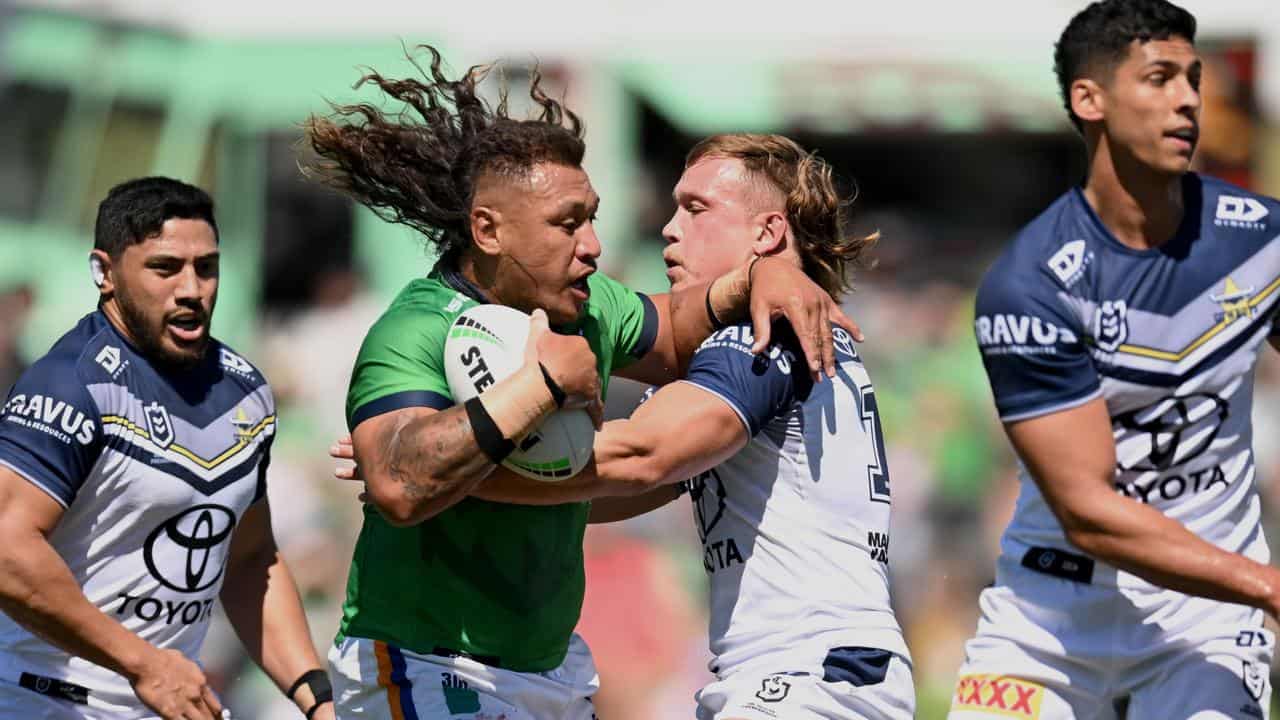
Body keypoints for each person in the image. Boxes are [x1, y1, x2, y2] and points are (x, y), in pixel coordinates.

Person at [306, 48, 857, 719]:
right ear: (488, 229)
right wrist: (538, 386)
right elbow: (396, 485)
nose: (594, 244)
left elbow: (677, 327)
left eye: (592, 217)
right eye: (569, 223)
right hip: (431, 664)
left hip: (551, 669)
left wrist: (760, 275)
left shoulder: (588, 306)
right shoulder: (413, 329)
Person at [949, 1, 1280, 718]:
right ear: (1088, 99)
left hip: (1208, 621)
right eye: (1159, 78)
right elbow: (1088, 513)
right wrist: (1267, 584)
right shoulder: (1029, 284)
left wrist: (1249, 591)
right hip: (1049, 618)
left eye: (1193, 78)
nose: (1189, 98)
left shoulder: (1262, 239)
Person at [0, 177, 333, 720]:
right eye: (165, 268)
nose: (191, 289)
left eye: (206, 267)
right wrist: (145, 664)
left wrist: (316, 698)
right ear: (104, 273)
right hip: (42, 701)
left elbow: (249, 560)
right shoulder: (70, 384)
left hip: (170, 704)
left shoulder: (245, 391)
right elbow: (7, 552)